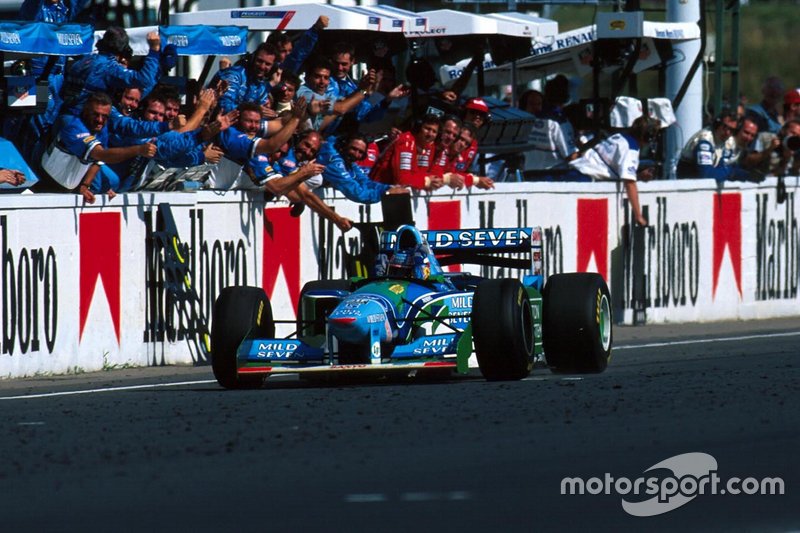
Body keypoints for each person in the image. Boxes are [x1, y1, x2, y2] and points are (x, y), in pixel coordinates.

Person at [38, 92, 156, 195]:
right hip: (48, 183)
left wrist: (85, 185)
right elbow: (100, 154)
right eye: (95, 114)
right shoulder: (74, 127)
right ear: (86, 111)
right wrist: (138, 150)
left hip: (68, 186)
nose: (100, 120)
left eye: (105, 116)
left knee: (111, 182)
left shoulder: (101, 128)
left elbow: (97, 162)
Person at [567, 116, 661, 226]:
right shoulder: (631, 149)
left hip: (574, 171)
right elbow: (630, 183)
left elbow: (614, 167)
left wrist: (638, 175)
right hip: (583, 180)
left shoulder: (619, 137)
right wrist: (638, 215)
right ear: (648, 137)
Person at [60, 27, 162, 118]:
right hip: (84, 120)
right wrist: (154, 50)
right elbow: (143, 79)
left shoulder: (83, 60)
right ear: (122, 50)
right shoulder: (108, 67)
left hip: (66, 114)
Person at [212, 99, 307, 190]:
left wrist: (296, 113)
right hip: (209, 192)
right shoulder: (234, 136)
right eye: (248, 121)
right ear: (238, 121)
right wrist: (296, 118)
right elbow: (271, 146)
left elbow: (281, 122)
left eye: (257, 122)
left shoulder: (250, 130)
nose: (253, 126)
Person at [274, 130, 354, 232]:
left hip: (281, 179)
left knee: (316, 179)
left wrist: (337, 219)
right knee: (296, 194)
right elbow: (306, 195)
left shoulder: (296, 160)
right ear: (299, 139)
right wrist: (337, 219)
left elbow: (306, 195)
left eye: (312, 151)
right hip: (257, 178)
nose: (307, 152)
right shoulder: (287, 154)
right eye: (306, 145)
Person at [315, 133, 409, 204]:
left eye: (360, 152)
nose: (356, 154)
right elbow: (356, 193)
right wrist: (385, 194)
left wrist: (390, 188)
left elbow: (364, 181)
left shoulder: (345, 156)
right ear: (345, 144)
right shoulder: (333, 159)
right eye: (353, 149)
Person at [370, 114, 443, 191]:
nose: (430, 134)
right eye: (427, 129)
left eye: (434, 131)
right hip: (378, 189)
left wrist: (435, 180)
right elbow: (402, 180)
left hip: (393, 191)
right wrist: (427, 181)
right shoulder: (406, 141)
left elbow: (419, 174)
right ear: (418, 128)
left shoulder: (427, 147)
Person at [431, 122, 495, 191]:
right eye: (461, 139)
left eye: (466, 143)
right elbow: (435, 176)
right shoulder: (439, 150)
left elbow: (457, 177)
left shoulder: (457, 157)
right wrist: (476, 180)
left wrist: (475, 180)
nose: (462, 144)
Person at [677, 112, 739, 180]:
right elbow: (706, 174)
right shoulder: (704, 140)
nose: (727, 132)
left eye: (731, 130)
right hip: (688, 181)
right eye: (725, 127)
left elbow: (726, 165)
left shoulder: (727, 141)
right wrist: (731, 173)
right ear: (717, 125)